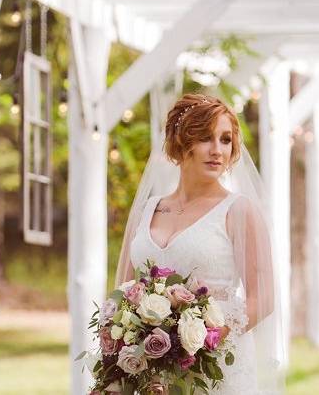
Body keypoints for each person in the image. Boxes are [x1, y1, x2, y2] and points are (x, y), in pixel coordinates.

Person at [114, 93, 286, 394]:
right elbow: (124, 290)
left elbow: (264, 297)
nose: (217, 150)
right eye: (206, 138)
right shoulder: (148, 209)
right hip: (149, 369)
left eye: (225, 140)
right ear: (182, 142)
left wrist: (205, 341)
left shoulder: (239, 210)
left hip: (214, 368)